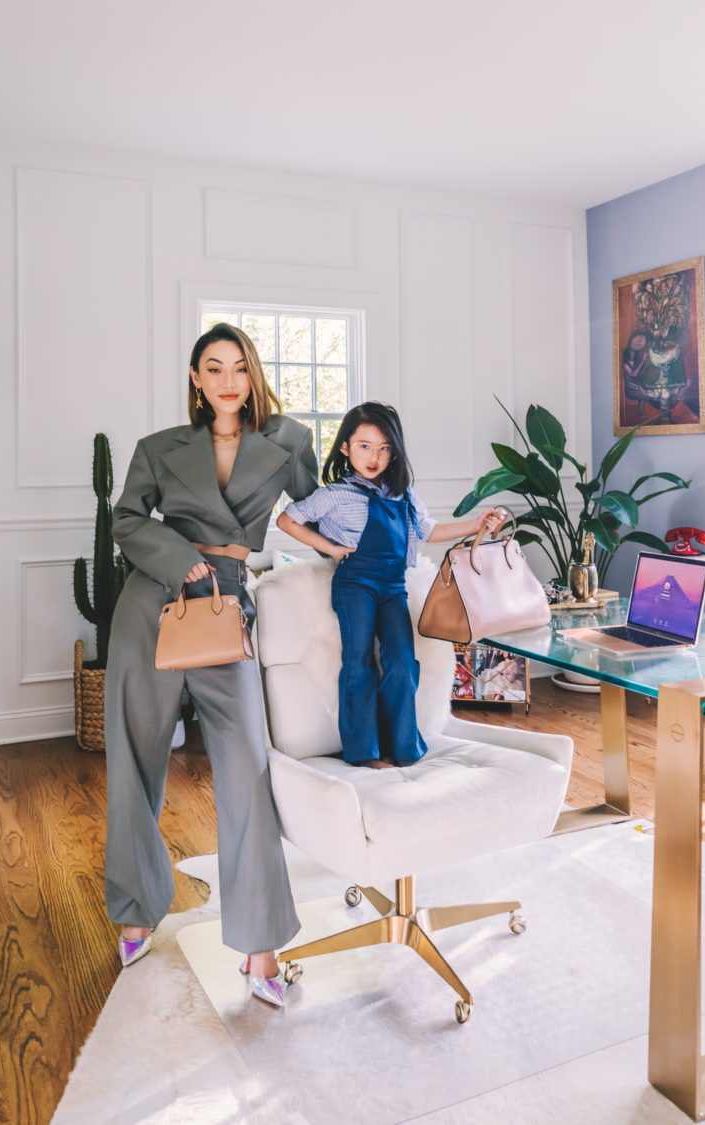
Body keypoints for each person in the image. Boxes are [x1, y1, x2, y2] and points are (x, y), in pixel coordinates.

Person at [104, 322, 319, 1009]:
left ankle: (261, 945)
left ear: (252, 376)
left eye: (239, 369)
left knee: (246, 767)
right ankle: (137, 904)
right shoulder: (157, 448)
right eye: (213, 369)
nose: (228, 381)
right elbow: (127, 519)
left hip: (227, 609)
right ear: (196, 379)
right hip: (152, 607)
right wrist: (175, 558)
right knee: (135, 754)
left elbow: (321, 511)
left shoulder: (290, 443)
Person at [277, 401, 503, 769]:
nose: (374, 456)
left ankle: (401, 746)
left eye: (384, 448)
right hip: (355, 585)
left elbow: (429, 531)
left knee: (401, 661)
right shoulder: (335, 494)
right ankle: (364, 752)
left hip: (393, 587)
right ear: (346, 448)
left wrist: (477, 524)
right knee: (359, 661)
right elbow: (288, 520)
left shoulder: (403, 494)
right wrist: (330, 548)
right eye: (364, 446)